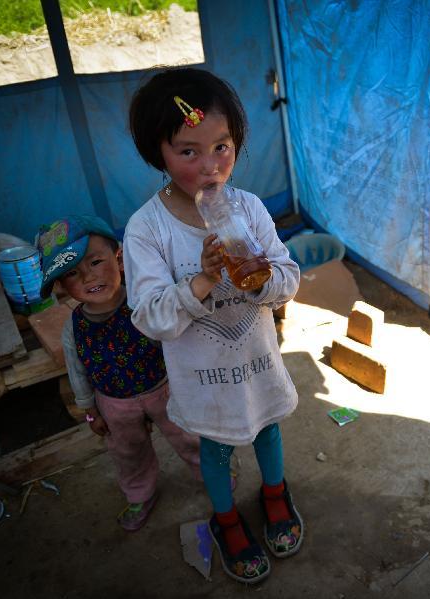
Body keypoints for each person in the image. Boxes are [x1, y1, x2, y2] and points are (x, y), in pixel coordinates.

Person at [123, 68, 303, 585]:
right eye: (188, 152)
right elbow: (151, 317)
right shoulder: (147, 229)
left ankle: (274, 493)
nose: (210, 166)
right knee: (217, 449)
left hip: (257, 362)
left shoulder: (247, 208)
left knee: (268, 427)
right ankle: (226, 520)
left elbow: (288, 280)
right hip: (203, 378)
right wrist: (202, 279)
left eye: (222, 146)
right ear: (157, 152)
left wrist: (259, 277)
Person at [36, 215, 202, 532]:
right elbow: (77, 369)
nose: (88, 277)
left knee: (189, 436)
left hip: (165, 389)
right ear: (60, 286)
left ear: (120, 258)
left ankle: (212, 473)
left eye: (96, 262)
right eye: (72, 273)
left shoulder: (144, 302)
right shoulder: (74, 327)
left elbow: (177, 339)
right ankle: (140, 493)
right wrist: (89, 411)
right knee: (128, 453)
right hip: (114, 404)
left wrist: (192, 380)